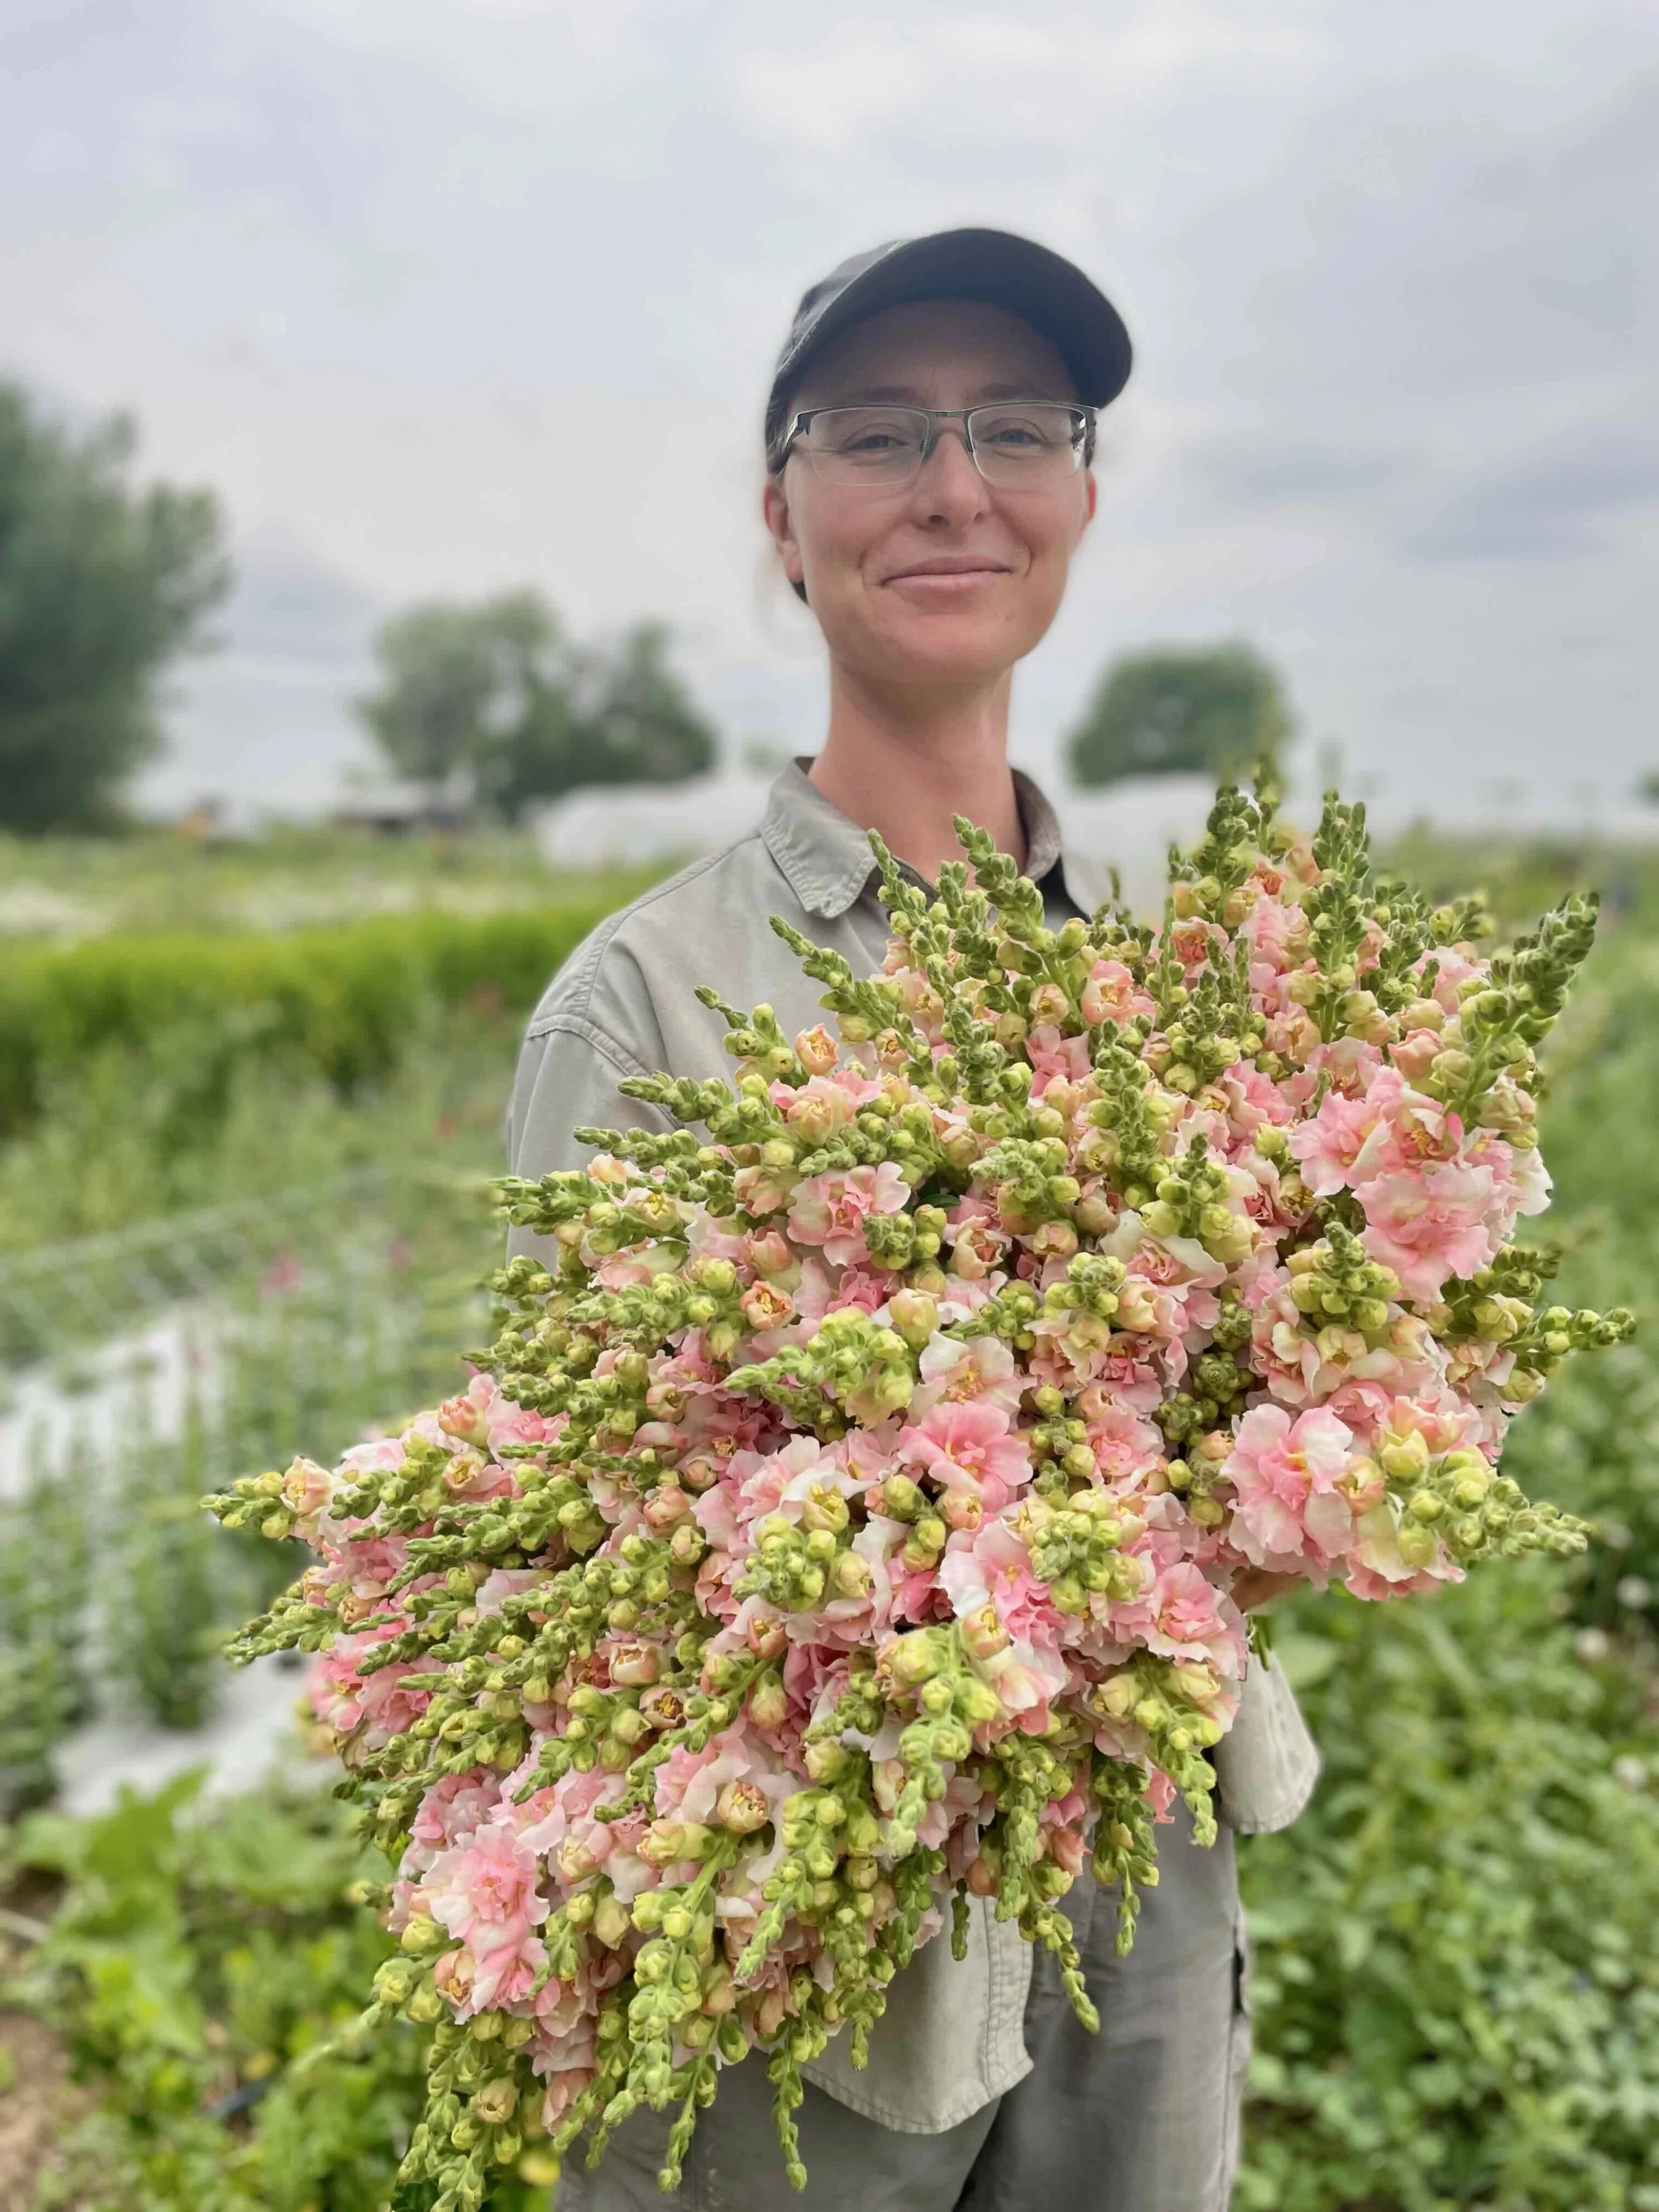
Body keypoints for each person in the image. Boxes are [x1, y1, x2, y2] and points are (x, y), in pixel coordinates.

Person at [506, 228, 1319, 2212]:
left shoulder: (1191, 965)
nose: (954, 483)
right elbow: (573, 1550)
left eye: (1014, 427)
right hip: (802, 1941)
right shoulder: (646, 999)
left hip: (1145, 1877)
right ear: (781, 518)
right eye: (876, 434)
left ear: (1079, 497)